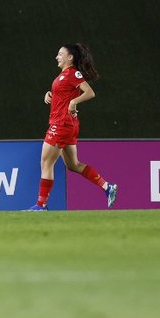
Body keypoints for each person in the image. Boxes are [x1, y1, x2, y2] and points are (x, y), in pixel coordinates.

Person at [27, 43, 118, 211]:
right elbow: (64, 95)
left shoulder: (72, 73)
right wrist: (51, 94)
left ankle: (41, 205)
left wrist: (74, 102)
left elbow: (89, 92)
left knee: (46, 163)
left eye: (60, 54)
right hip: (66, 124)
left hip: (61, 124)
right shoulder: (63, 76)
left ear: (70, 58)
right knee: (73, 165)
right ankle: (107, 187)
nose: (57, 57)